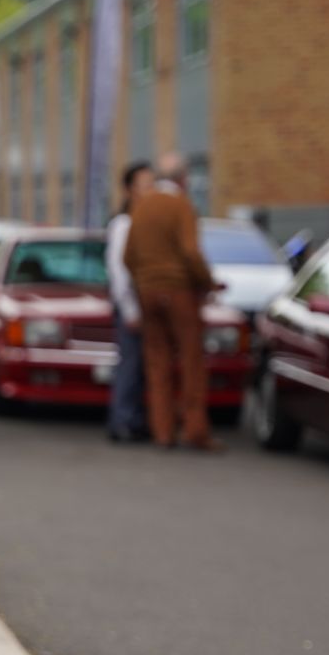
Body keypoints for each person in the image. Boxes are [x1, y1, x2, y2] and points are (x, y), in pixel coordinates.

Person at [123, 152, 221, 452]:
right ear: (184, 179)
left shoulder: (141, 207)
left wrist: (144, 281)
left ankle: (163, 431)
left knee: (157, 362)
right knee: (191, 362)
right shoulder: (182, 206)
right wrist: (206, 282)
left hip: (148, 293)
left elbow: (128, 256)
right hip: (179, 292)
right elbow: (191, 253)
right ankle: (194, 430)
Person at [105, 160, 155, 443]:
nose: (149, 191)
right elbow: (119, 271)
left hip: (144, 305)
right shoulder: (124, 224)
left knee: (141, 367)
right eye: (144, 185)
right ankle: (122, 421)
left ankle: (134, 419)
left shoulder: (143, 220)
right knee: (130, 364)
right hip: (132, 306)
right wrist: (130, 309)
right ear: (129, 190)